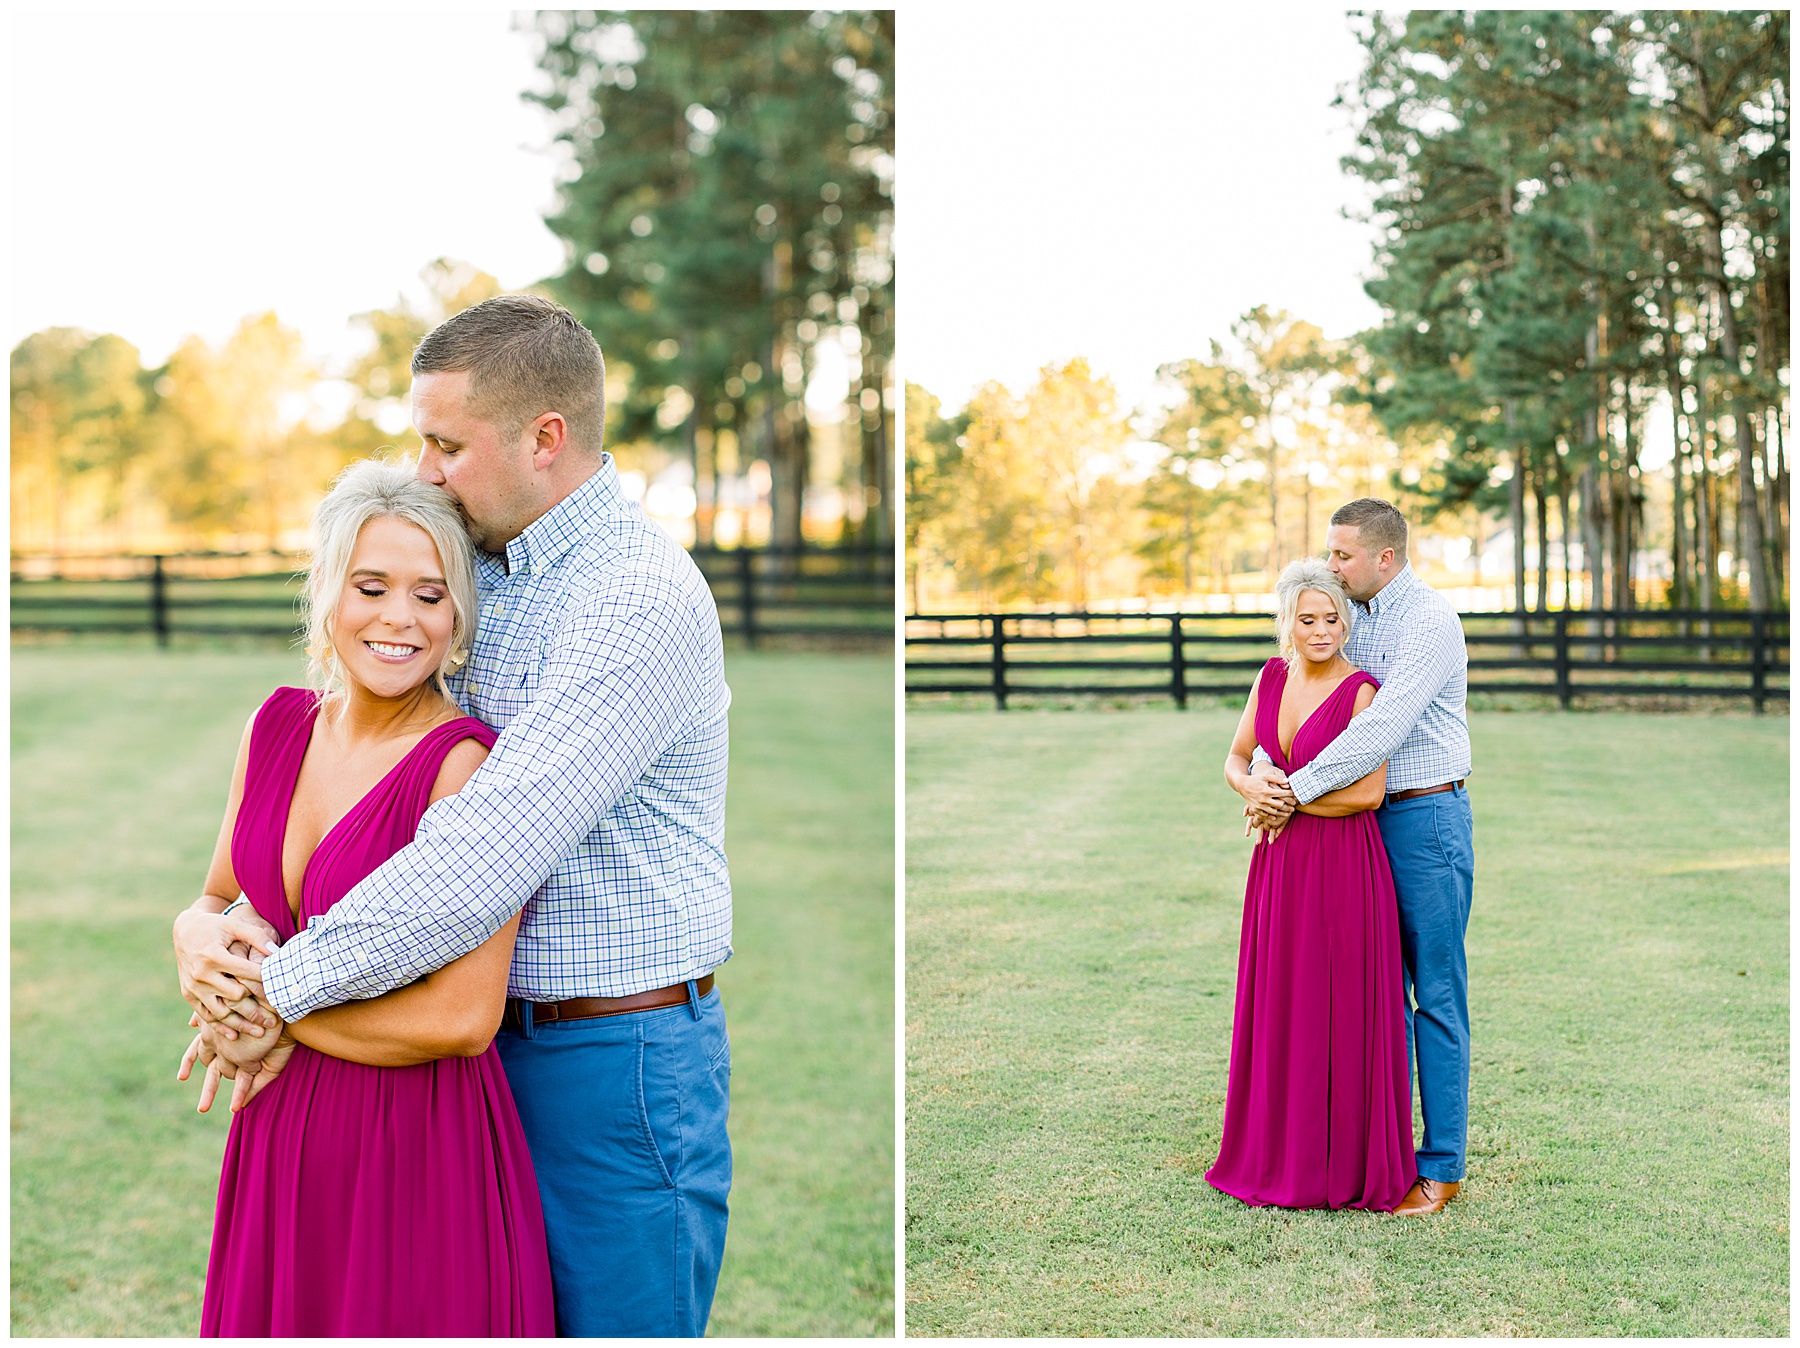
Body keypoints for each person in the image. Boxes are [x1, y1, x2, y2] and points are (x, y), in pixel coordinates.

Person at [174, 295, 734, 1335]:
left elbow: (472, 864)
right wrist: (197, 929)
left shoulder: (634, 598)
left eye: (446, 444)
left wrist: (267, 998)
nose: (426, 468)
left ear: (545, 439)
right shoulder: (480, 558)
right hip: (445, 1067)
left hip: (607, 1061)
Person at [177, 458, 555, 1334]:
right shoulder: (274, 726)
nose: (398, 619)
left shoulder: (465, 766)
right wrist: (189, 934)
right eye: (372, 586)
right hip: (279, 1134)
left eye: (430, 596)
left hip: (416, 1141)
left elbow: (462, 1019)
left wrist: (273, 1014)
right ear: (328, 596)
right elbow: (221, 897)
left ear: (458, 617)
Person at [1235, 497, 1474, 1218]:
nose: (1330, 567)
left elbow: (1380, 733)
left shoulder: (1429, 621)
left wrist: (1284, 795)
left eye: (1341, 555)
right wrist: (1263, 780)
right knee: (1376, 999)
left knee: (1434, 995)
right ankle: (1381, 1156)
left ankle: (1442, 1169)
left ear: (1384, 558)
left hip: (1426, 816)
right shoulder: (1356, 618)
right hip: (1356, 834)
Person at [1207, 559, 1417, 1211]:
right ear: (1287, 623)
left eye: (1332, 618)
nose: (1322, 630)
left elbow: (1368, 793)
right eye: (1308, 620)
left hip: (1344, 866)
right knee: (1285, 999)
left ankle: (1343, 1162)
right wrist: (1250, 788)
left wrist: (1282, 802)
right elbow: (1237, 756)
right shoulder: (1270, 678)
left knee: (1340, 1005)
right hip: (1279, 867)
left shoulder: (1362, 692)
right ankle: (1278, 1150)